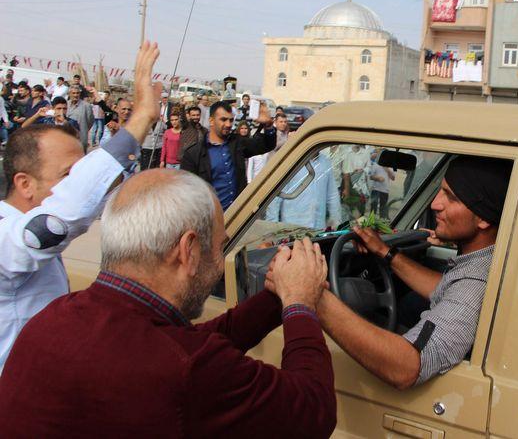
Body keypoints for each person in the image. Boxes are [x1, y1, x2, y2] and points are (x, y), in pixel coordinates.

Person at [0, 170, 336, 438]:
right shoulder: (183, 368)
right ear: (189, 250)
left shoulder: (56, 317)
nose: (219, 265)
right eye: (219, 247)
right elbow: (313, 412)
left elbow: (183, 344)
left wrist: (275, 296)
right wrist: (299, 304)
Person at [272, 155, 512, 389]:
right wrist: (385, 252)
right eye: (440, 191)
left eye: (451, 197)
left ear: (483, 218)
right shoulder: (483, 261)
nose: (435, 204)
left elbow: (409, 367)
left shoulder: (475, 283)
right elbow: (445, 287)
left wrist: (311, 295)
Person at [0, 40, 163, 371]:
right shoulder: (7, 237)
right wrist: (141, 118)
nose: (77, 183)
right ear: (24, 183)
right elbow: (72, 207)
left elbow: (96, 190)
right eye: (68, 175)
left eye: (80, 173)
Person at [181, 101, 275, 210]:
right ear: (211, 121)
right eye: (223, 119)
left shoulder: (237, 143)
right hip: (210, 215)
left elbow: (266, 145)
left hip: (238, 214)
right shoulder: (193, 154)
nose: (228, 124)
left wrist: (268, 125)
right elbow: (187, 193)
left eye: (231, 120)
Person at [267, 151, 342, 230]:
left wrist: (335, 220)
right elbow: (276, 196)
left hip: (318, 227)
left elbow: (332, 195)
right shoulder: (291, 162)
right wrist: (272, 226)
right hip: (292, 227)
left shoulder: (325, 162)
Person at [342, 144, 372, 218]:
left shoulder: (366, 153)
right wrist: (346, 188)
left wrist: (362, 170)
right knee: (348, 206)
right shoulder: (346, 152)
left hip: (360, 184)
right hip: (347, 182)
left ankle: (360, 219)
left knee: (361, 206)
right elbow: (343, 169)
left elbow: (369, 167)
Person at [368, 150, 395, 218]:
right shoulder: (375, 165)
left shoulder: (390, 166)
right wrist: (377, 178)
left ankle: (381, 221)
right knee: (373, 208)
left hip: (385, 190)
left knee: (383, 209)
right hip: (375, 189)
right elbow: (370, 177)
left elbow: (393, 178)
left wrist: (387, 169)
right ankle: (371, 222)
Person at [66, 84, 93, 149]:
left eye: (77, 93)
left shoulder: (86, 106)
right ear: (69, 94)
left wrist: (83, 129)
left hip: (81, 138)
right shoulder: (65, 104)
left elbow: (90, 122)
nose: (75, 95)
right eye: (73, 93)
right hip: (67, 138)